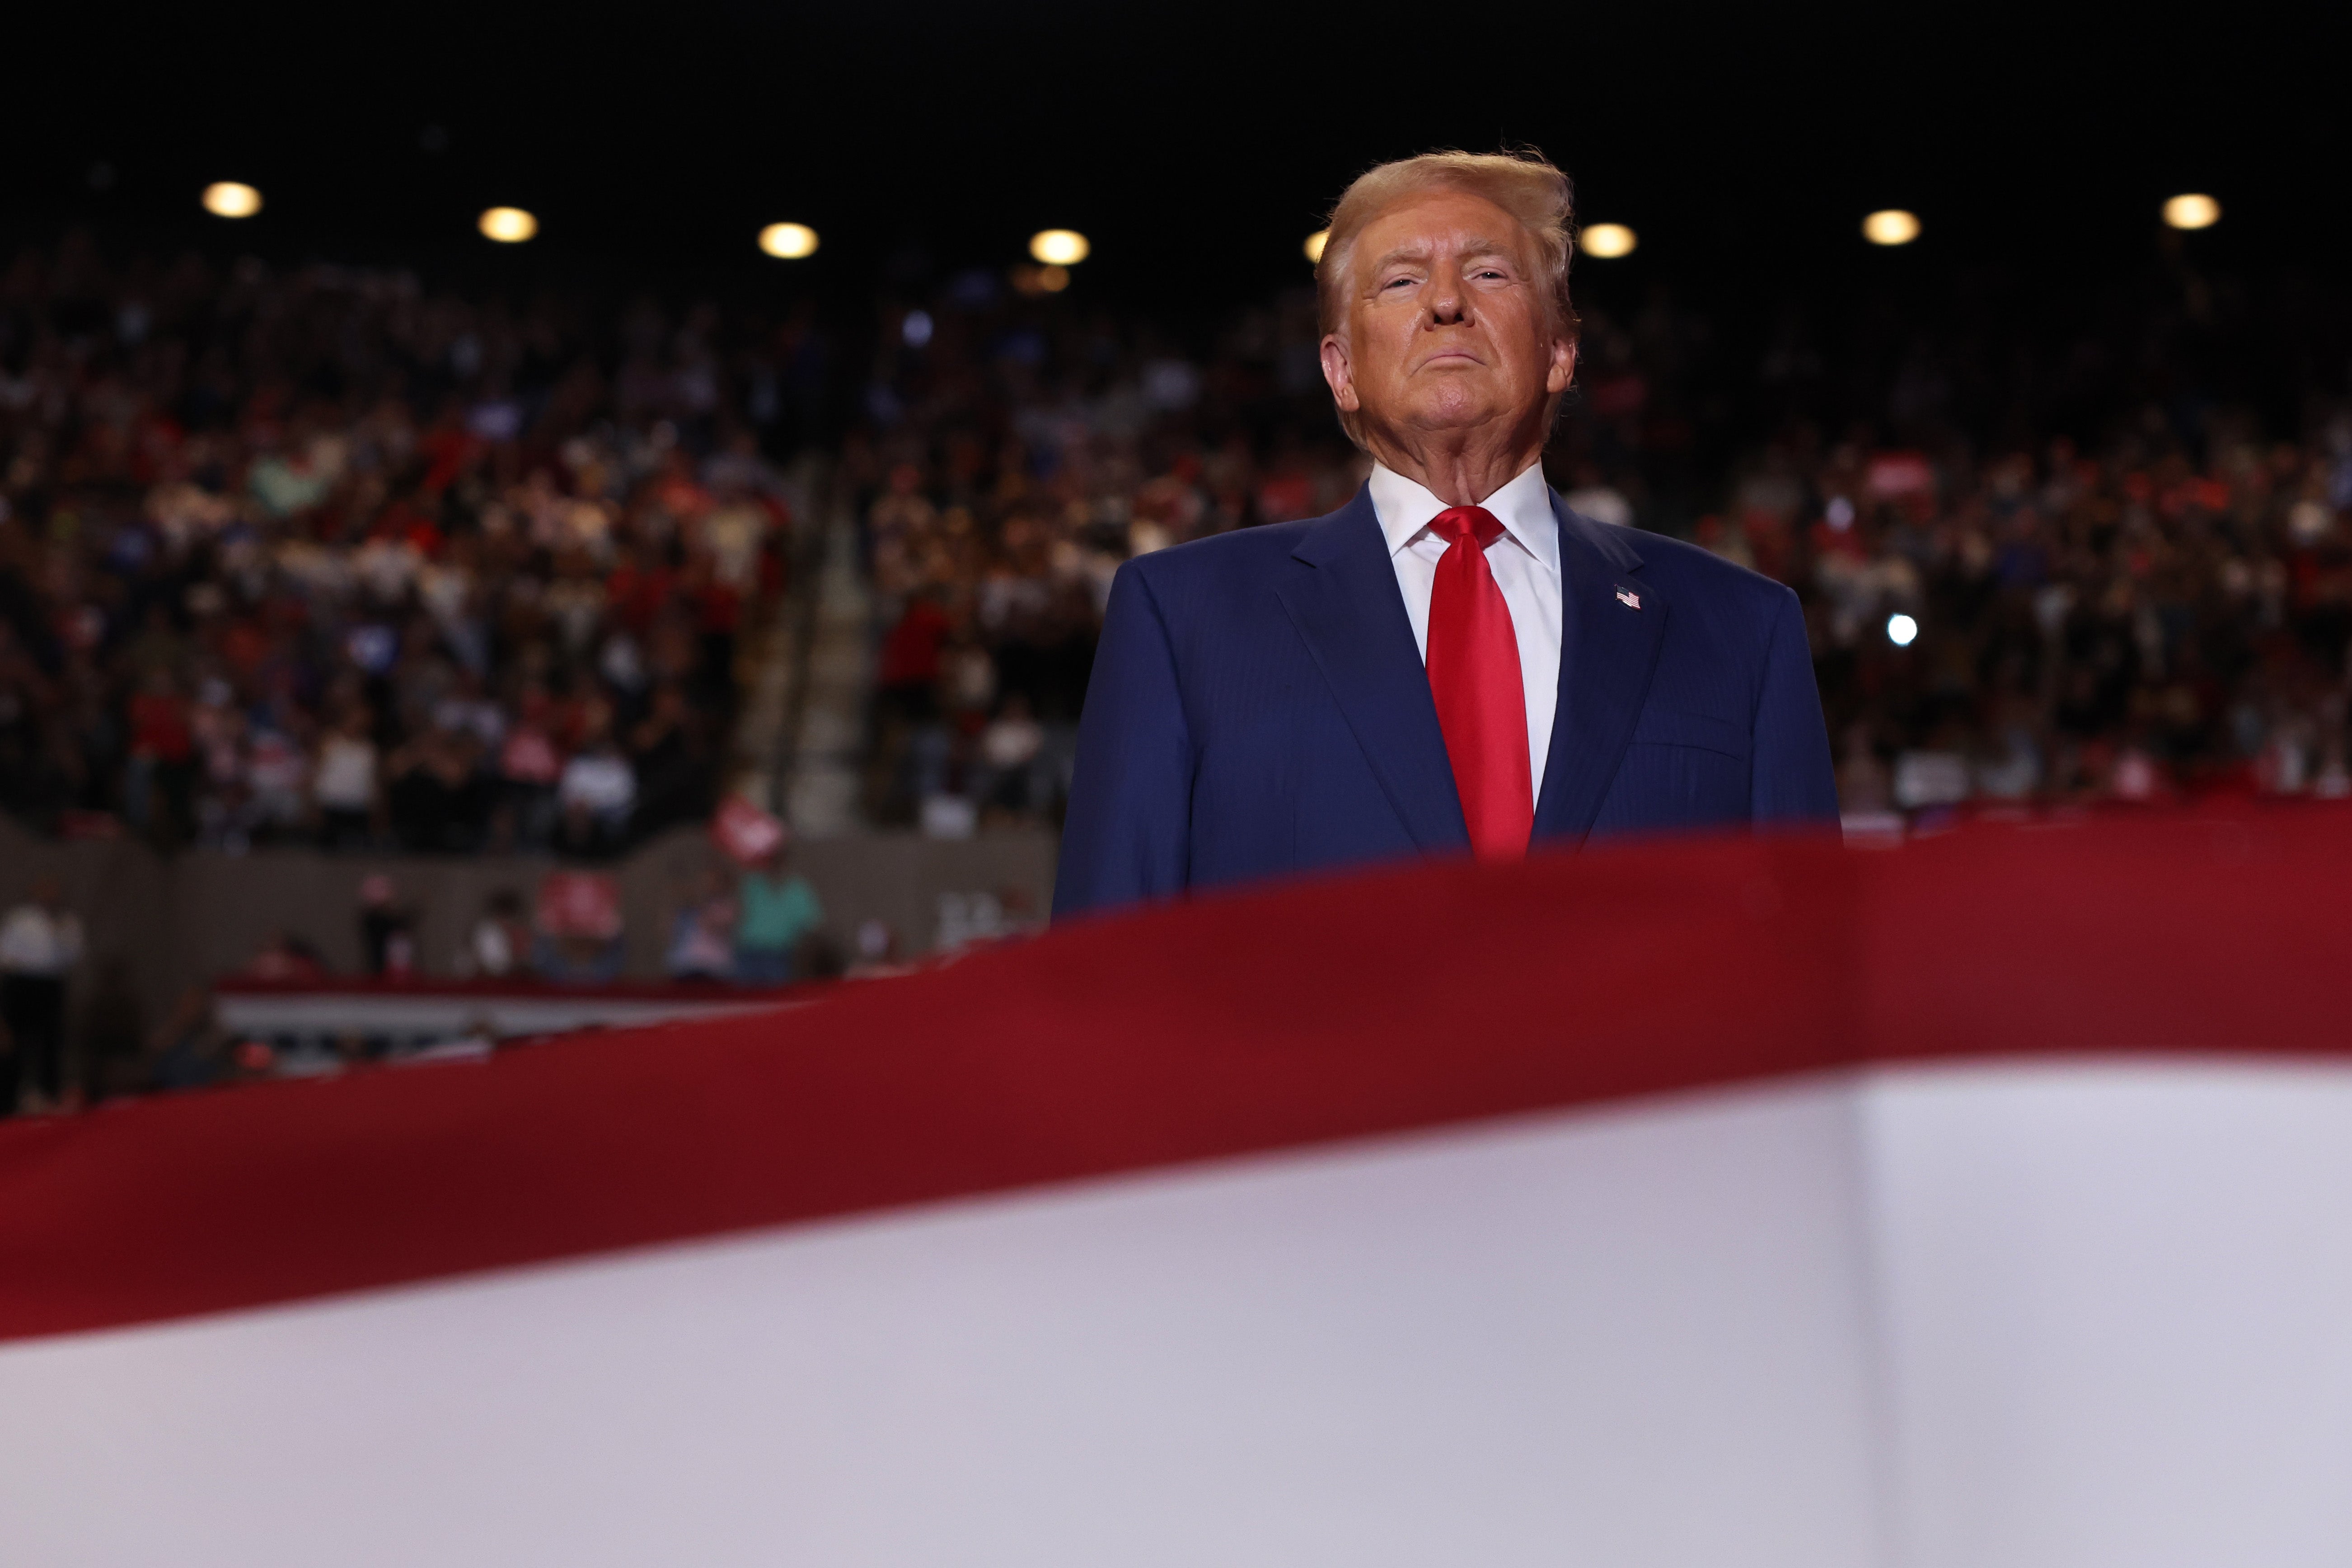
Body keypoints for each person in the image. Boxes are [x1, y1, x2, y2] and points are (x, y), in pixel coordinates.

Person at [1053, 150, 1836, 916]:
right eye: (1400, 281)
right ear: (1341, 371)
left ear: (1561, 352)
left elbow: (1808, 968)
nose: (1446, 302)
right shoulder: (1183, 619)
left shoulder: (1741, 629)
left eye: (1489, 273)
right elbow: (1102, 977)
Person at [0, 875, 84, 1114]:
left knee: (51, 1040)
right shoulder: (21, 919)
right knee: (12, 1042)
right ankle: (8, 1099)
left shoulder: (68, 921)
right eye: (44, 891)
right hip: (21, 983)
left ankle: (50, 1095)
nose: (49, 896)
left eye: (53, 891)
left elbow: (75, 956)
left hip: (51, 984)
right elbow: (5, 954)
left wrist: (56, 929)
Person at [734, 844, 822, 984]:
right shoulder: (753, 884)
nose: (772, 864)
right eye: (768, 859)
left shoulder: (797, 890)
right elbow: (736, 914)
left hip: (779, 954)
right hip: (748, 952)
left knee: (777, 998)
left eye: (776, 859)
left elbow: (811, 925)